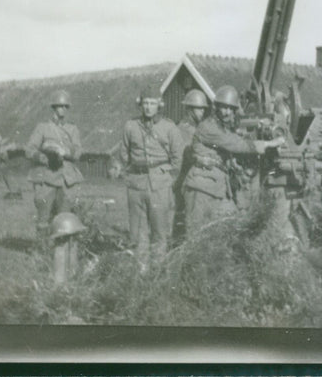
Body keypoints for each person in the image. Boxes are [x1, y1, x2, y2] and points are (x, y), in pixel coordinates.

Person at [183, 85, 284, 235]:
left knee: (232, 227)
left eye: (230, 109)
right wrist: (270, 144)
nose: (227, 112)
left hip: (216, 189)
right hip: (201, 189)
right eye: (223, 107)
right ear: (216, 107)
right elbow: (236, 144)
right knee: (195, 236)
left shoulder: (221, 128)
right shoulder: (208, 127)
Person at [118, 87, 184, 263]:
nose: (148, 107)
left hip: (159, 185)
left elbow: (178, 159)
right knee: (137, 233)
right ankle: (142, 274)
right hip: (136, 185)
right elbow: (124, 153)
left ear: (159, 105)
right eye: (145, 103)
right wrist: (132, 173)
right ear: (140, 104)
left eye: (152, 103)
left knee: (159, 233)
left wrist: (167, 180)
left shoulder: (169, 127)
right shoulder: (130, 126)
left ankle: (158, 272)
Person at [25, 89, 84, 247]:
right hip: (48, 179)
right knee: (43, 219)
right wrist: (42, 157)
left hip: (67, 181)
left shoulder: (73, 129)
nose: (62, 109)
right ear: (53, 107)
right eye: (59, 106)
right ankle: (41, 252)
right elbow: (29, 149)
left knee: (63, 219)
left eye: (65, 106)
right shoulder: (43, 128)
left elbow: (78, 152)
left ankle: (60, 254)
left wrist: (66, 152)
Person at [173, 88, 209, 243]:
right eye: (198, 108)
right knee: (185, 217)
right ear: (189, 109)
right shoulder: (185, 129)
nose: (202, 112)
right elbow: (190, 154)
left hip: (186, 176)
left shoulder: (192, 129)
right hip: (183, 176)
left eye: (203, 108)